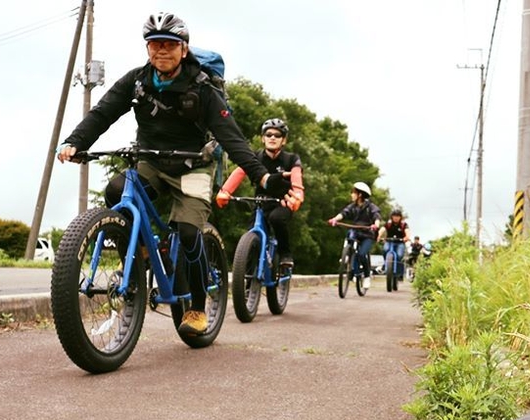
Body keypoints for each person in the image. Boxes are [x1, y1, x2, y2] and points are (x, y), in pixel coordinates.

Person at [56, 12, 274, 336]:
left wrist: (263, 177)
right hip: (152, 160)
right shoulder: (137, 81)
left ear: (183, 49)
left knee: (188, 234)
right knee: (118, 191)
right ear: (147, 48)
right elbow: (103, 112)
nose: (161, 51)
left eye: (169, 45)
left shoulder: (202, 88)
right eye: (155, 44)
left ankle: (198, 306)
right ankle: (142, 250)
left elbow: (232, 138)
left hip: (194, 165)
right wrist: (76, 141)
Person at [214, 118, 304, 268]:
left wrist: (298, 196)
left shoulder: (291, 159)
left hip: (283, 203)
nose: (272, 138)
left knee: (276, 219)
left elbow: (297, 179)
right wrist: (225, 191)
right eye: (268, 134)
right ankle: (248, 282)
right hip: (260, 203)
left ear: (284, 140)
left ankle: (285, 255)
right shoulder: (255, 158)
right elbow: (239, 172)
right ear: (263, 138)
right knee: (250, 239)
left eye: (277, 135)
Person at [327, 182, 381, 289]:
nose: (351, 195)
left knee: (361, 254)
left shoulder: (371, 207)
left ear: (360, 195)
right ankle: (347, 255)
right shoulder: (353, 206)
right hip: (356, 231)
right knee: (349, 235)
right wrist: (334, 219)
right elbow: (343, 213)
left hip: (367, 234)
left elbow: (377, 217)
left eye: (353, 192)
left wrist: (375, 225)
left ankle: (366, 276)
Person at [377, 208, 410, 280]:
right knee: (385, 250)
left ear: (400, 217)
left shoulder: (403, 224)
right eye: (394, 216)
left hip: (400, 243)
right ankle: (385, 265)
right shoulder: (388, 223)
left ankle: (399, 273)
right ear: (391, 216)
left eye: (398, 216)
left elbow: (407, 231)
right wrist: (378, 236)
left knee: (399, 255)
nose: (396, 217)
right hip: (389, 241)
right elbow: (382, 229)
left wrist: (406, 237)